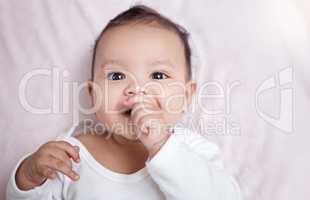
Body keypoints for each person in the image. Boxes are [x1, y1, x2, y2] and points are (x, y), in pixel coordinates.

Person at [7, 5, 241, 200]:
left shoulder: (194, 152)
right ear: (92, 93)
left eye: (158, 75)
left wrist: (163, 146)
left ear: (187, 96)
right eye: (117, 76)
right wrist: (28, 178)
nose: (136, 89)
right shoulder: (71, 154)